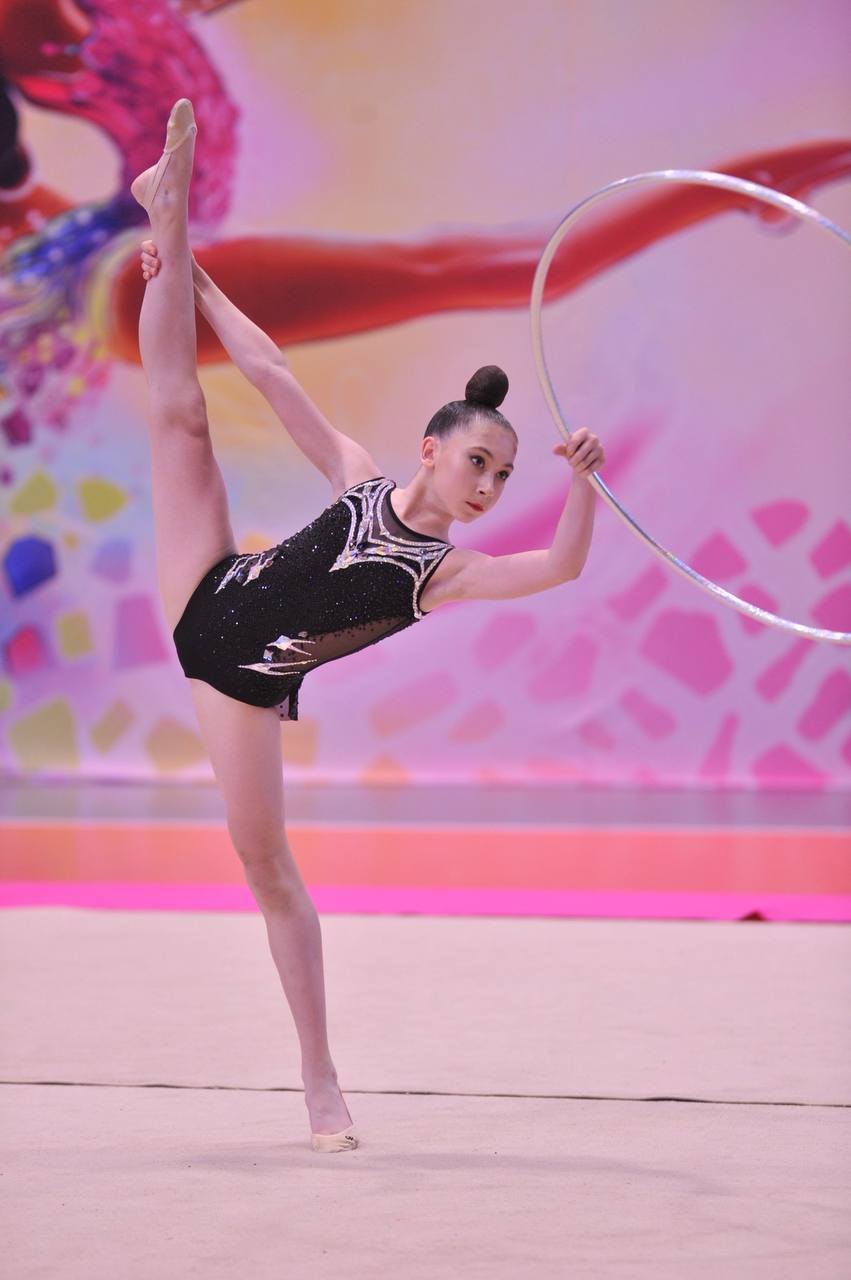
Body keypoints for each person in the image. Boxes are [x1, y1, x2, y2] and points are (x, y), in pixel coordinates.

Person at [132, 99, 605, 1154]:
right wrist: (188, 269)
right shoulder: (358, 477)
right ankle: (166, 212)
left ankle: (319, 1078)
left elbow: (561, 565)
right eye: (477, 461)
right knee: (179, 414)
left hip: (240, 680)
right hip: (206, 583)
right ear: (432, 449)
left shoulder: (446, 574)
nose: (487, 486)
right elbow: (269, 371)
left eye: (503, 476)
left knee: (268, 869)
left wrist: (581, 483)